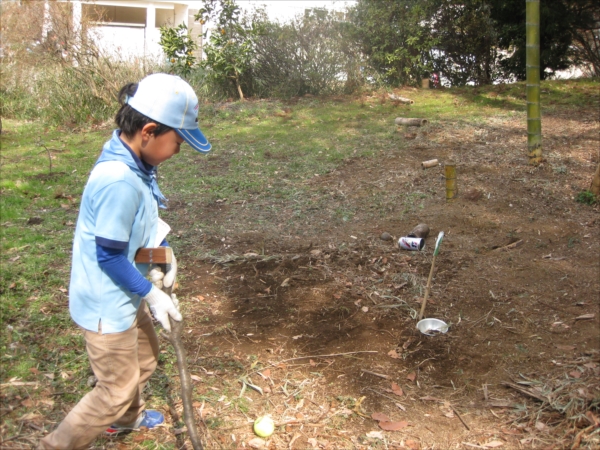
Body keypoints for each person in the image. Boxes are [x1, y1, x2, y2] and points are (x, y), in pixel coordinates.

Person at [38, 73, 211, 449]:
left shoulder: (136, 165)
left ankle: (127, 418)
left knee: (146, 361)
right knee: (114, 390)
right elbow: (109, 256)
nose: (178, 150)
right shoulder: (119, 180)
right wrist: (152, 294)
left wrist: (163, 255)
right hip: (107, 304)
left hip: (126, 294)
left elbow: (139, 229)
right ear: (148, 131)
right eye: (177, 141)